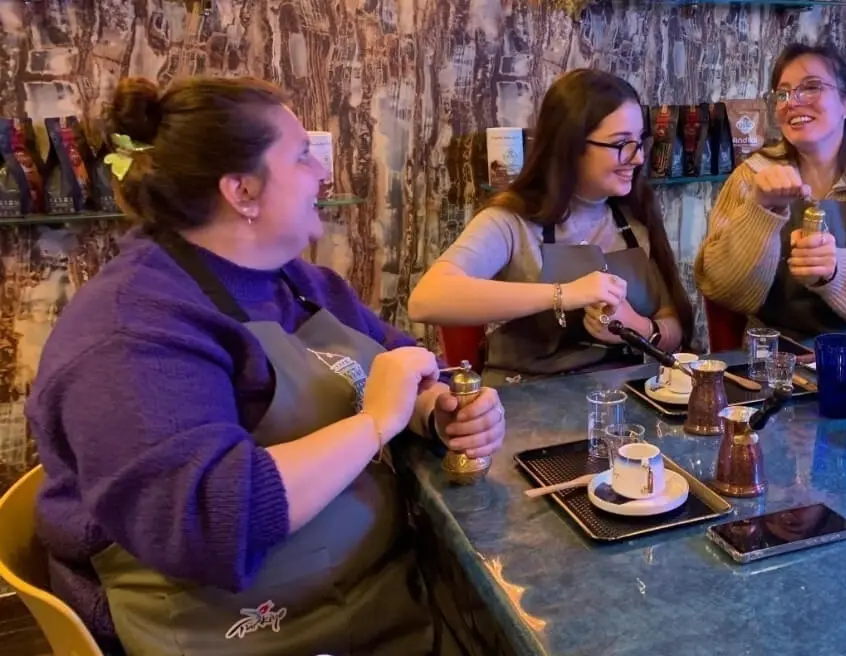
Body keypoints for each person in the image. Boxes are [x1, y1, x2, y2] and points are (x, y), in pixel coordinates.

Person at [25, 75, 505, 655]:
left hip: (367, 592)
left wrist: (436, 407)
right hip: (234, 630)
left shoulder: (296, 281)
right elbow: (205, 524)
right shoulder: (130, 331)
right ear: (243, 191)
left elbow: (400, 358)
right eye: (302, 155)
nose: (322, 173)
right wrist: (376, 422)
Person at [408, 69, 695, 387]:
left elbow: (674, 325)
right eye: (621, 144)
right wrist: (564, 294)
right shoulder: (511, 221)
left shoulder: (635, 215)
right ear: (570, 146)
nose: (638, 157)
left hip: (622, 393)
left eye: (639, 142)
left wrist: (639, 328)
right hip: (529, 395)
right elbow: (426, 300)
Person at [695, 43, 846, 340]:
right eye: (783, 94)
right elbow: (720, 286)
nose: (792, 102)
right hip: (769, 349)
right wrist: (760, 210)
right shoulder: (751, 175)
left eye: (811, 87)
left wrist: (835, 269)